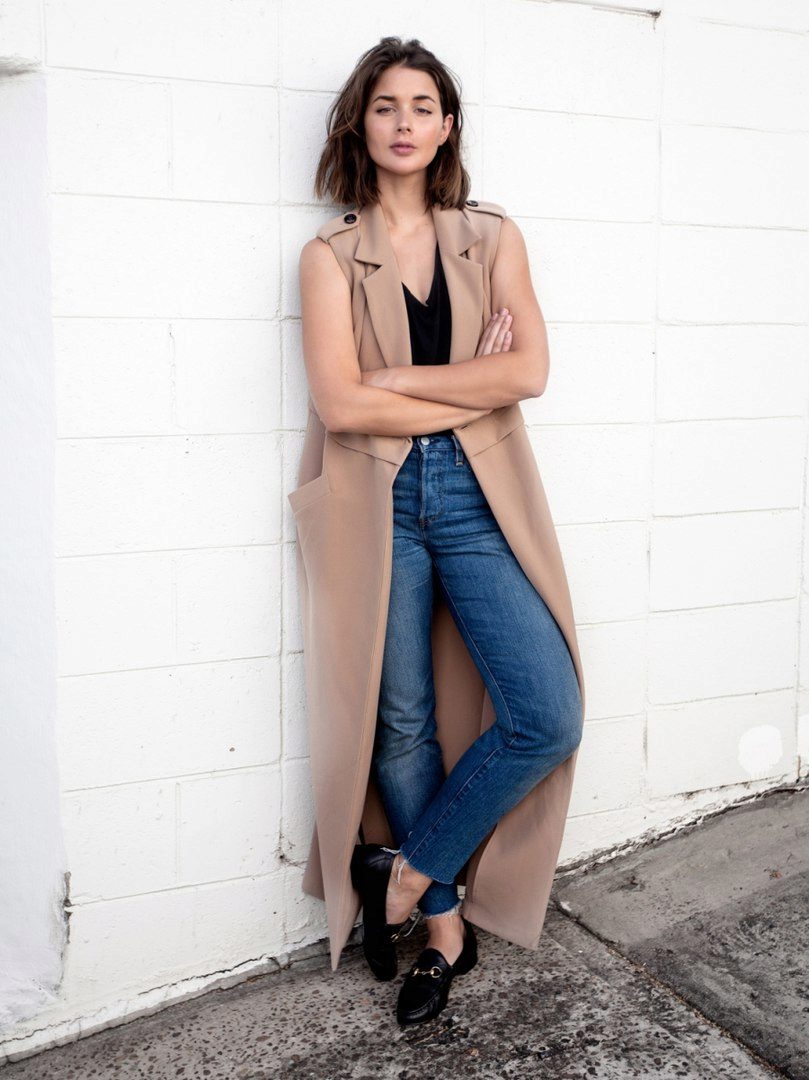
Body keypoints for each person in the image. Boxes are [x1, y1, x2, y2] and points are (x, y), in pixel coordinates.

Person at [298, 36, 583, 1026]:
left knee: (545, 712)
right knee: (403, 721)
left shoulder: (490, 237)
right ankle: (443, 931)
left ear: (447, 126)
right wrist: (466, 384)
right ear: (360, 122)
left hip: (474, 495)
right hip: (374, 503)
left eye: (423, 106)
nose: (404, 122)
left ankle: (409, 871)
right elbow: (341, 407)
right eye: (386, 105)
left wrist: (396, 378)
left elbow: (527, 373)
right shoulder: (329, 257)